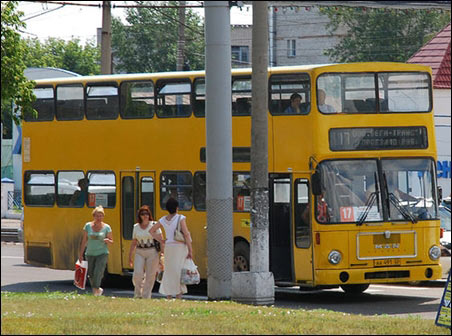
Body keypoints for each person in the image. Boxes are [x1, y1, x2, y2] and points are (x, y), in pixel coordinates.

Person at [150, 197, 193, 299]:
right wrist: (190, 250)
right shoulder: (180, 218)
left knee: (169, 271)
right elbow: (186, 234)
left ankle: (168, 295)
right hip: (179, 247)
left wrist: (161, 240)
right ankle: (178, 294)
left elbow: (151, 231)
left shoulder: (163, 219)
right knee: (178, 270)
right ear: (177, 208)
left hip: (168, 247)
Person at [128, 205, 164, 299]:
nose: (145, 216)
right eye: (143, 214)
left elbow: (161, 240)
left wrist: (162, 254)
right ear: (139, 216)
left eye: (147, 214)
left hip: (152, 251)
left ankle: (146, 296)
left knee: (150, 275)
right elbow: (134, 242)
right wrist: (130, 257)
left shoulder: (154, 225)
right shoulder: (136, 227)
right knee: (137, 274)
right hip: (140, 251)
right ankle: (137, 294)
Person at [78, 205, 113, 296]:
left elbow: (111, 241)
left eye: (101, 216)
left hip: (102, 253)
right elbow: (84, 240)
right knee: (91, 274)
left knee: (98, 271)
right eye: (97, 216)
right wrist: (80, 254)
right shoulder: (88, 226)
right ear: (93, 216)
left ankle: (95, 291)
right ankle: (98, 289)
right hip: (90, 253)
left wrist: (108, 241)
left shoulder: (107, 227)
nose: (99, 218)